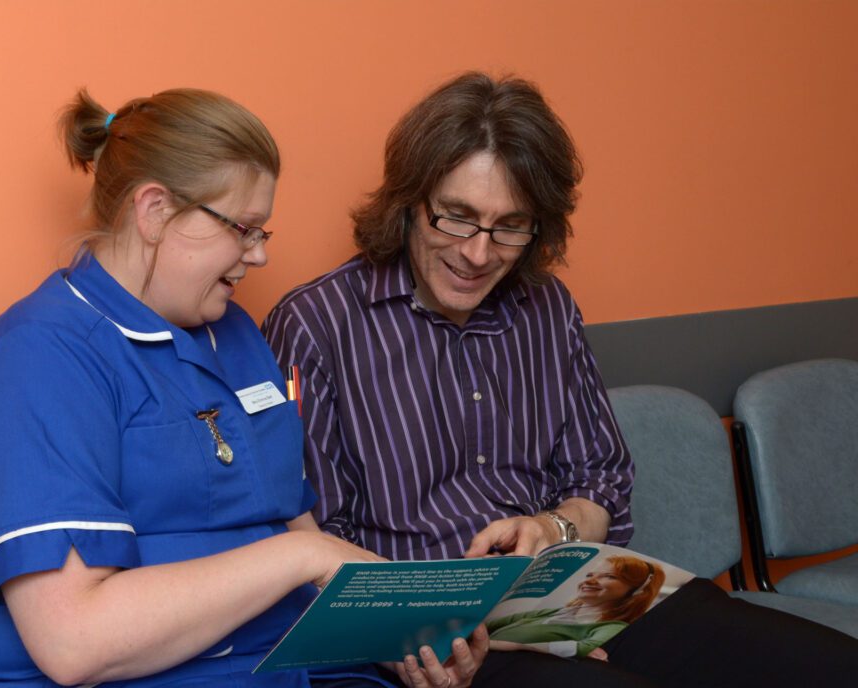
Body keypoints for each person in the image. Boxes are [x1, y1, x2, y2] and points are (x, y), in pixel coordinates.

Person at [263, 71, 858, 687]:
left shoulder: (547, 308)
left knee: (832, 668)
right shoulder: (316, 324)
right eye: (457, 218)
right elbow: (308, 541)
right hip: (438, 634)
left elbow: (604, 480)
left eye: (509, 227)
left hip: (580, 593)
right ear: (410, 204)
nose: (477, 253)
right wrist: (420, 639)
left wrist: (554, 528)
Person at [0, 87, 488, 688]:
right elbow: (75, 643)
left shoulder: (234, 334)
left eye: (263, 230)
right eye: (244, 229)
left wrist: (398, 635)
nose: (261, 255)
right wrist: (303, 558)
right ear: (155, 210)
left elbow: (292, 524)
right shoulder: (40, 357)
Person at [487, 556, 666, 658]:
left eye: (609, 576)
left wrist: (507, 646)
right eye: (590, 574)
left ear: (636, 591)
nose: (589, 580)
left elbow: (581, 649)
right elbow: (497, 623)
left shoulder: (612, 627)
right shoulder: (558, 612)